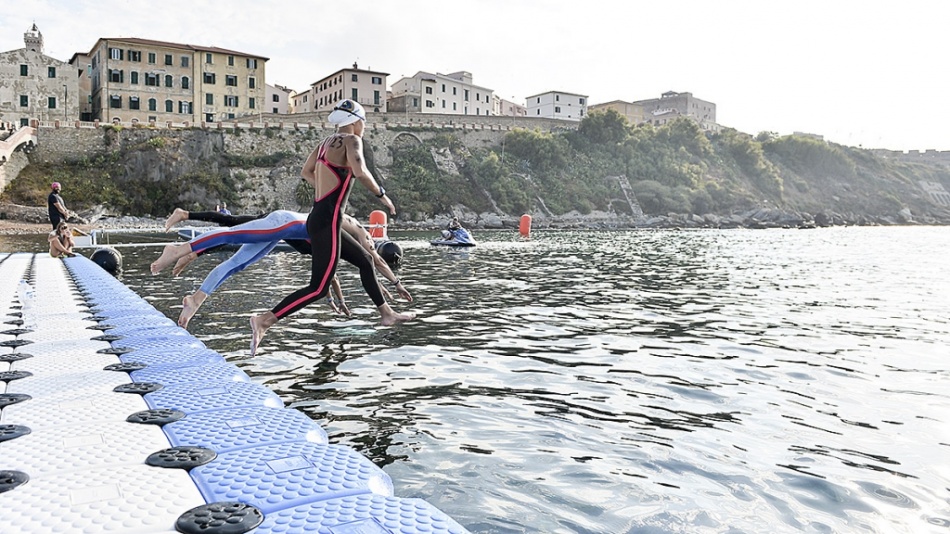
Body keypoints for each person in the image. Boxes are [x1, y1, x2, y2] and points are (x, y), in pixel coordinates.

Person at [249, 99, 413, 355]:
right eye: (364, 123)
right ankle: (265, 320)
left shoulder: (324, 143)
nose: (364, 128)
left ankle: (387, 314)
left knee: (365, 260)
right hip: (327, 222)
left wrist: (325, 191)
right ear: (357, 121)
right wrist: (383, 195)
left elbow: (306, 171)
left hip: (323, 218)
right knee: (318, 287)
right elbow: (360, 172)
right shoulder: (352, 141)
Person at [151, 210, 412, 328]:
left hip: (286, 232)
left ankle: (195, 299)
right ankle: (183, 247)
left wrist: (338, 300)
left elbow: (329, 275)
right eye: (370, 243)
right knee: (234, 228)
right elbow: (373, 261)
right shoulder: (353, 228)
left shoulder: (335, 243)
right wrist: (396, 284)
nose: (370, 246)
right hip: (286, 222)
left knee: (235, 263)